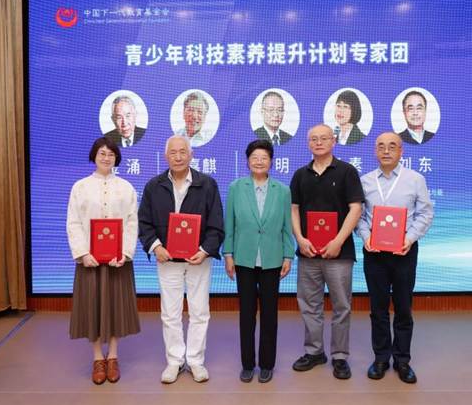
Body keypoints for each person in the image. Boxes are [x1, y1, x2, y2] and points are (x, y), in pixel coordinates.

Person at [138, 135, 224, 383]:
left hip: (199, 259)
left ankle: (195, 361)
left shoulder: (207, 184)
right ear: (166, 156)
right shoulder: (154, 186)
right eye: (173, 153)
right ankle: (174, 361)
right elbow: (144, 223)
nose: (178, 157)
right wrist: (156, 247)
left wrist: (205, 250)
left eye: (182, 152)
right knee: (170, 313)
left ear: (191, 155)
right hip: (167, 260)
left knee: (200, 312)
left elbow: (217, 223)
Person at [356, 132, 433, 384]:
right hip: (374, 254)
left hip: (404, 253)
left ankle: (402, 360)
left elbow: (425, 214)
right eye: (381, 146)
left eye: (392, 146)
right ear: (375, 151)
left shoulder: (415, 179)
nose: (386, 151)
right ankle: (380, 358)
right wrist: (366, 236)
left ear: (401, 151)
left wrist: (408, 239)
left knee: (403, 308)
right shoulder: (365, 181)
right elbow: (358, 216)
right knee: (378, 308)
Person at [289, 124, 364, 379]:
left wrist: (338, 241)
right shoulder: (300, 175)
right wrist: (300, 239)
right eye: (313, 139)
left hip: (339, 254)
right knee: (310, 305)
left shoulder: (347, 171)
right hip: (308, 253)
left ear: (334, 141)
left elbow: (356, 208)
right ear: (308, 143)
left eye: (323, 138)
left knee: (341, 306)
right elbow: (294, 209)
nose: (318, 142)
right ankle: (314, 352)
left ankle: (340, 356)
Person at [66, 137, 140, 385]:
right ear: (94, 156)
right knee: (93, 308)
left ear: (116, 157)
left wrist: (125, 253)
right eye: (102, 153)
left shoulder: (126, 188)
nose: (106, 158)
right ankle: (98, 357)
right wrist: (83, 253)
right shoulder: (80, 187)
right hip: (91, 261)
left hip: (118, 261)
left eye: (111, 154)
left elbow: (132, 222)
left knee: (116, 307)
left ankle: (113, 356)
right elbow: (73, 222)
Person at [223, 140, 295, 383]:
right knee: (246, 314)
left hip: (272, 259)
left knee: (269, 314)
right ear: (247, 161)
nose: (259, 161)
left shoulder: (282, 190)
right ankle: (247, 364)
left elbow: (286, 226)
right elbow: (230, 224)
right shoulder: (236, 188)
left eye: (264, 157)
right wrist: (228, 254)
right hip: (243, 258)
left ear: (271, 161)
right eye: (254, 157)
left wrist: (288, 255)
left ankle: (266, 364)